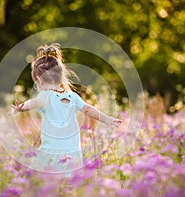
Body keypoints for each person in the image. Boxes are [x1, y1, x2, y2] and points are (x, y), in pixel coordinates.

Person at [11, 43, 122, 173]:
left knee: (41, 180)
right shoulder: (73, 96)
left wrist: (21, 108)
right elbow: (87, 109)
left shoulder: (45, 96)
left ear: (39, 80)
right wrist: (106, 119)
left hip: (50, 151)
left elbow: (32, 103)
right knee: (68, 183)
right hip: (72, 152)